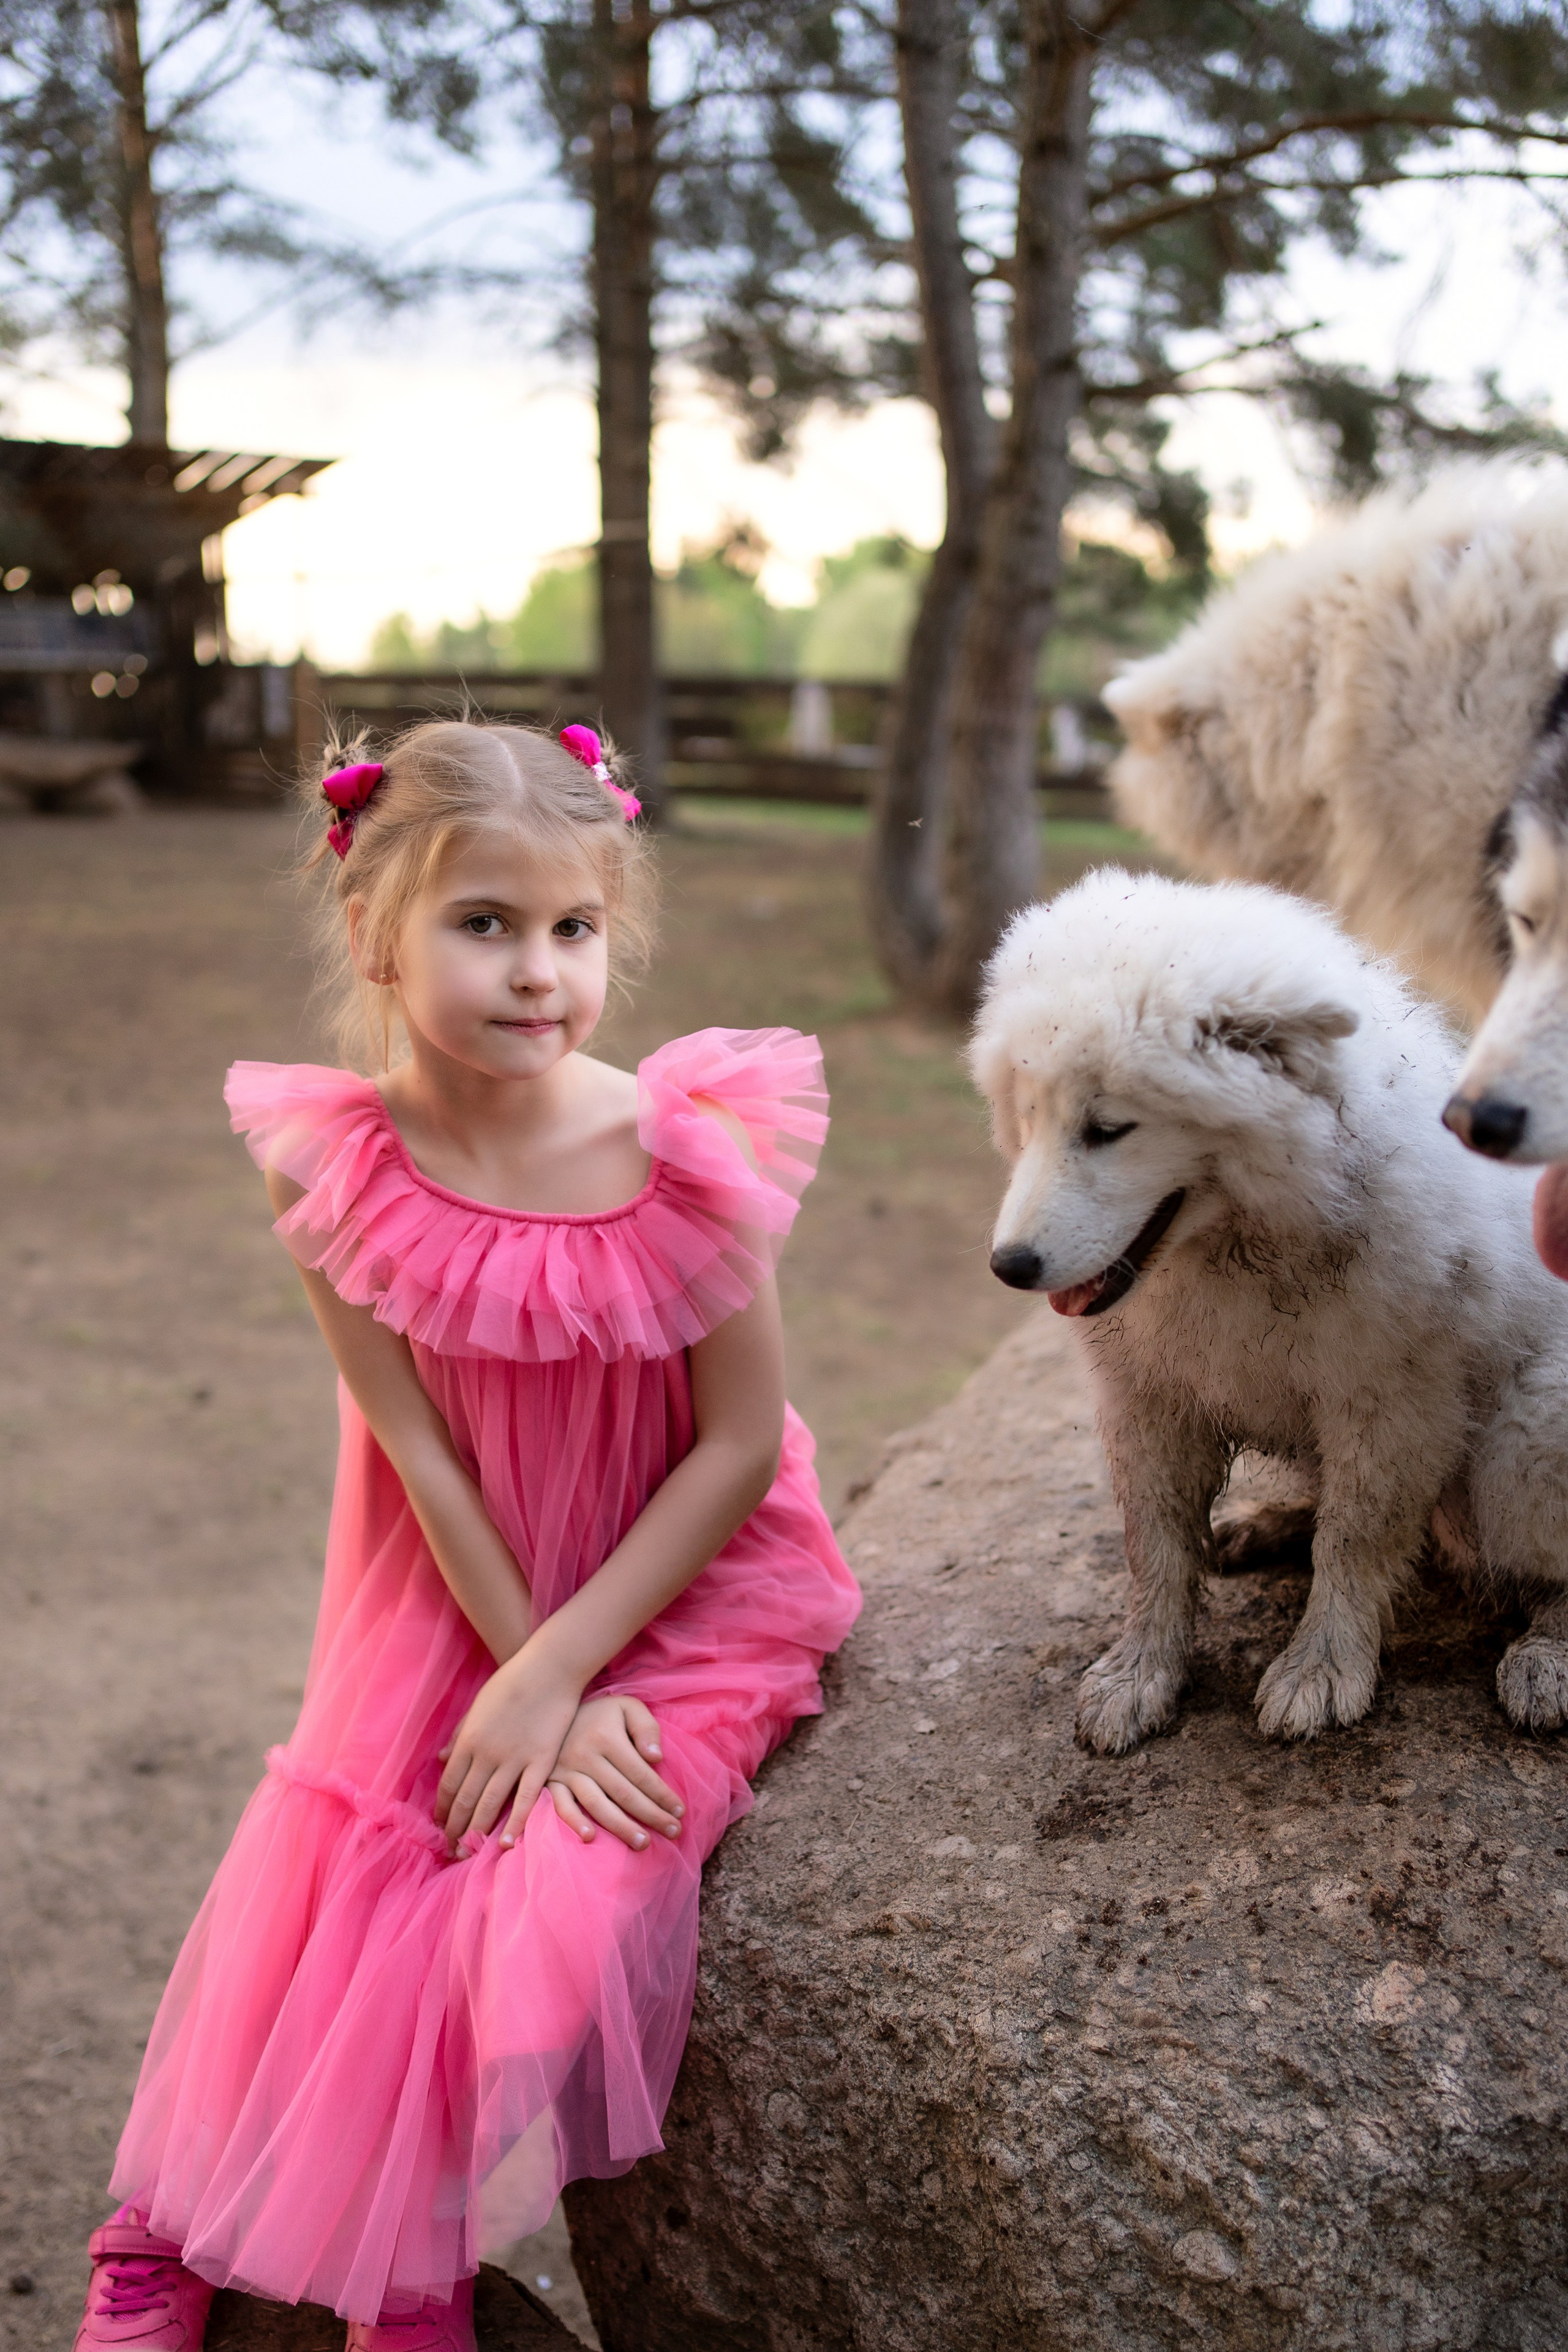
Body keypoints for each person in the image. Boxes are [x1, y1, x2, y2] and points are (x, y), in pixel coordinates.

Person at [77, 721, 861, 2351]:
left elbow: (729, 1451)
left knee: (551, 1901)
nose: (538, 973)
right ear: (376, 931)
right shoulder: (342, 1164)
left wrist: (568, 1678)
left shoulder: (681, 1144)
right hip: (456, 1579)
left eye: (573, 930)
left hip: (679, 1582)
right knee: (347, 1873)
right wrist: (516, 1667)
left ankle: (409, 2264)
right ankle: (155, 2237)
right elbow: (417, 1444)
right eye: (485, 924)